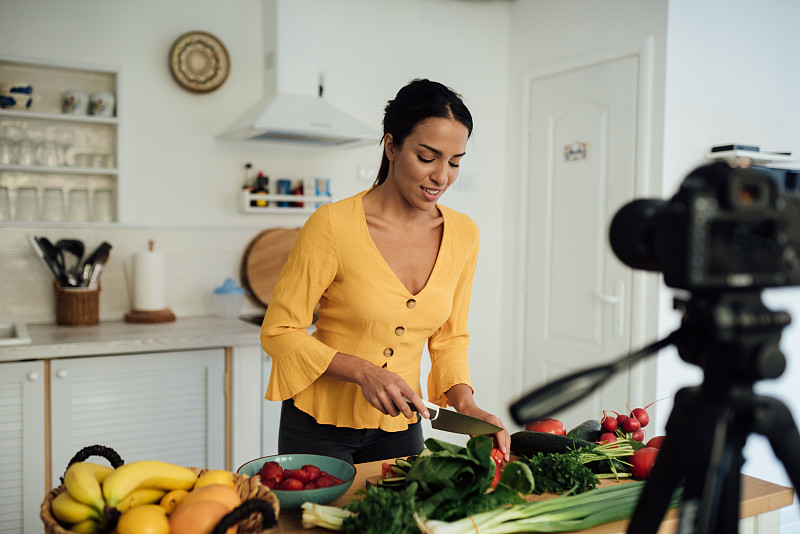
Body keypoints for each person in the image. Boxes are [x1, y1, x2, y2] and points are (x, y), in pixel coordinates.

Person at [260, 78, 510, 464]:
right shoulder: (333, 224)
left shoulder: (463, 234)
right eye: (427, 158)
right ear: (391, 146)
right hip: (317, 424)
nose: (442, 177)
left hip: (402, 425)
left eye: (455, 162)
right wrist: (363, 371)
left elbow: (450, 339)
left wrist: (466, 404)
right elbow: (279, 331)